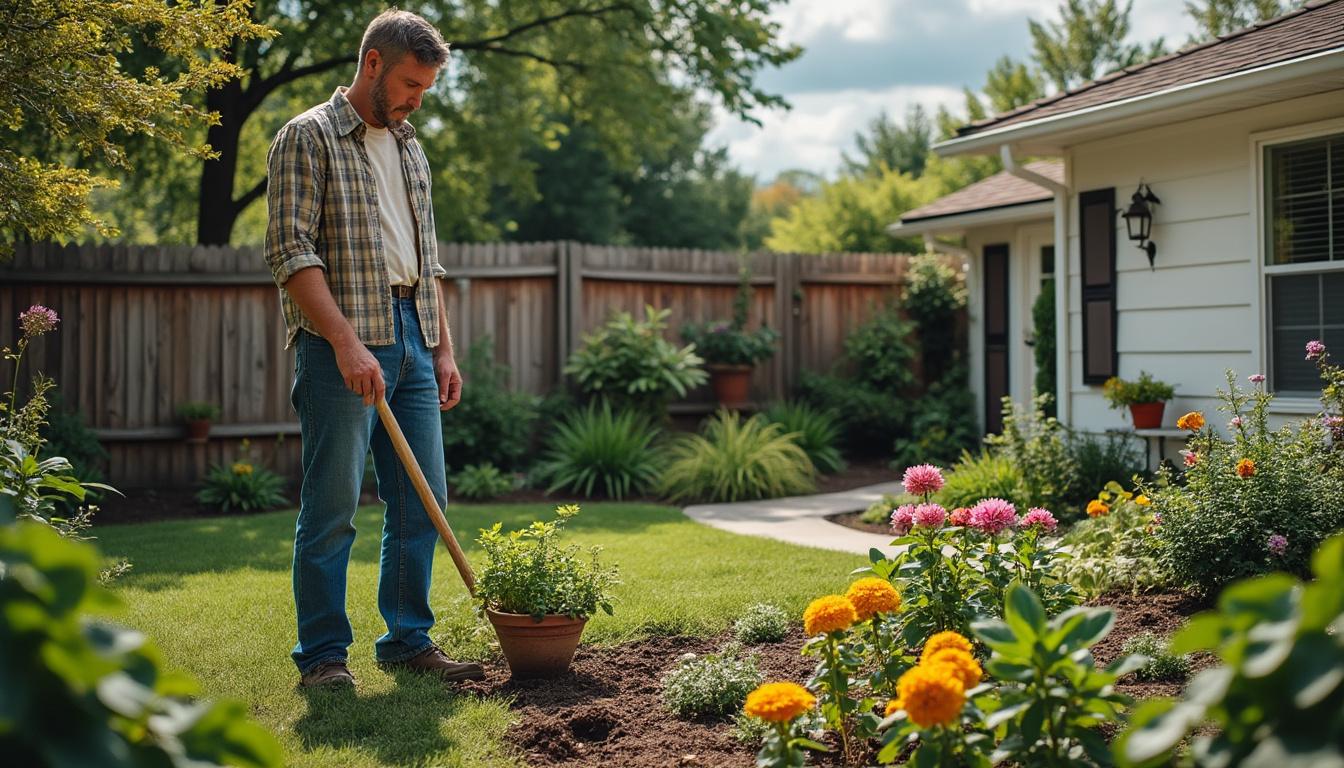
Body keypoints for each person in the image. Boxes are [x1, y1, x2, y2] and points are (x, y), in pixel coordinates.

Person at [264, 9, 483, 689]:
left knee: (423, 502)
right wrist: (345, 342)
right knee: (332, 508)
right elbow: (290, 251)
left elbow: (429, 259)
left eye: (425, 88)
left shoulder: (411, 146)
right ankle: (324, 658)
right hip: (342, 344)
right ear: (373, 65)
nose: (418, 99)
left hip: (416, 337)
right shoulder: (307, 137)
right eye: (412, 84)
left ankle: (407, 640)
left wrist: (442, 350)